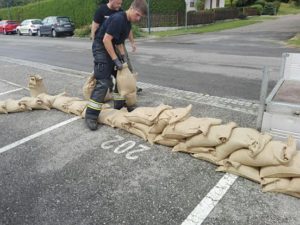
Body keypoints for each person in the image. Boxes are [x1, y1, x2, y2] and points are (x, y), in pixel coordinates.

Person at [85, 0, 148, 131]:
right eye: (137, 15)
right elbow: (106, 40)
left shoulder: (127, 23)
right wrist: (115, 60)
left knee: (121, 78)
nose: (138, 18)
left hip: (112, 47)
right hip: (101, 48)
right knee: (104, 82)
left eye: (140, 17)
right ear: (131, 8)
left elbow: (119, 43)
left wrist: (123, 60)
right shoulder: (118, 19)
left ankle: (119, 106)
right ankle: (91, 115)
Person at [91, 0, 142, 91]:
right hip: (104, 42)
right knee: (106, 66)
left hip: (117, 42)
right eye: (118, 3)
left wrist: (131, 42)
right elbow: (95, 26)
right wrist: (96, 45)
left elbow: (127, 29)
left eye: (121, 3)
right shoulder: (102, 10)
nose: (120, 5)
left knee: (124, 64)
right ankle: (108, 85)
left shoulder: (121, 12)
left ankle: (128, 84)